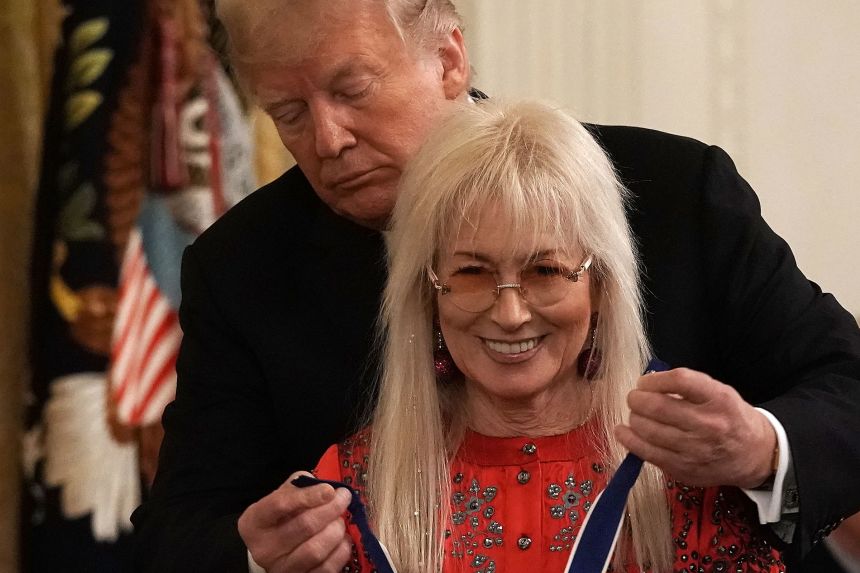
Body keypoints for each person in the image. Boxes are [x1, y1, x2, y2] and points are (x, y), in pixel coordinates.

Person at [130, 1, 860, 571]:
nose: (328, 140)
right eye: (287, 113)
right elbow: (177, 528)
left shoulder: (673, 193)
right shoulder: (243, 265)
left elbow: (846, 388)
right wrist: (254, 557)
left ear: (449, 59)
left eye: (352, 90)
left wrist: (764, 449)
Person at [310, 98, 786, 572]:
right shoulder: (346, 494)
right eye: (473, 272)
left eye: (545, 271)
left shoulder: (686, 470)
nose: (511, 314)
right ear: (428, 293)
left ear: (600, 286)